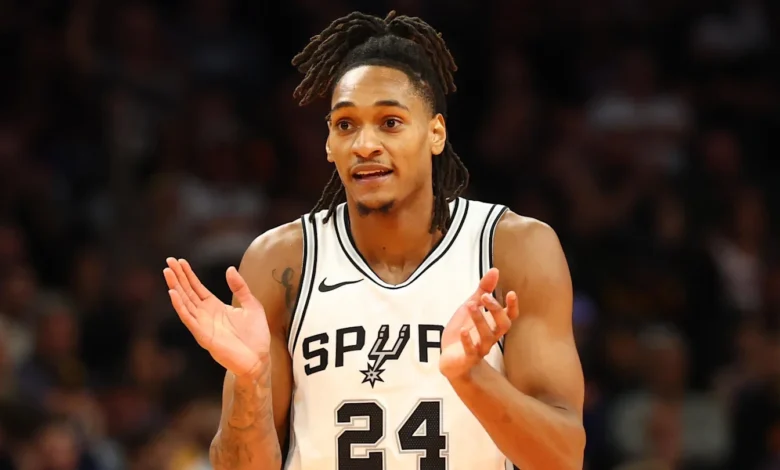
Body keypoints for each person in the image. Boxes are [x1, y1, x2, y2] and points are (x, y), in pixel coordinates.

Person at [162, 11, 585, 470]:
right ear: (329, 144)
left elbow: (563, 459)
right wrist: (250, 381)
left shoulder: (512, 248)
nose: (365, 144)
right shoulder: (281, 262)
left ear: (436, 133)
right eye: (346, 124)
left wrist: (472, 378)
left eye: (390, 122)